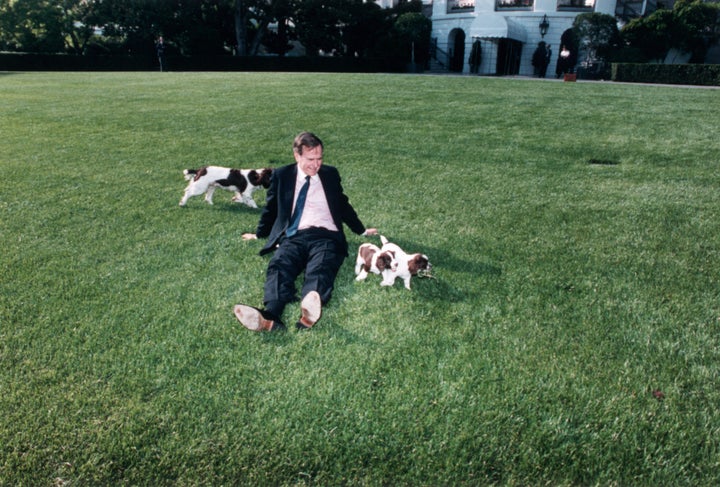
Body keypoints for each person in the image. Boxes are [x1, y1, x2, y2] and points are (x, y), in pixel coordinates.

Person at [234, 132, 378, 332]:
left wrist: (361, 230)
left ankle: (309, 312)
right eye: (310, 159)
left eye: (319, 159)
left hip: (326, 235)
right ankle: (270, 315)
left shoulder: (330, 174)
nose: (316, 164)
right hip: (294, 235)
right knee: (279, 265)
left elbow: (342, 204)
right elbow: (271, 209)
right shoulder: (282, 175)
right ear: (297, 156)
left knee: (320, 268)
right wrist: (259, 234)